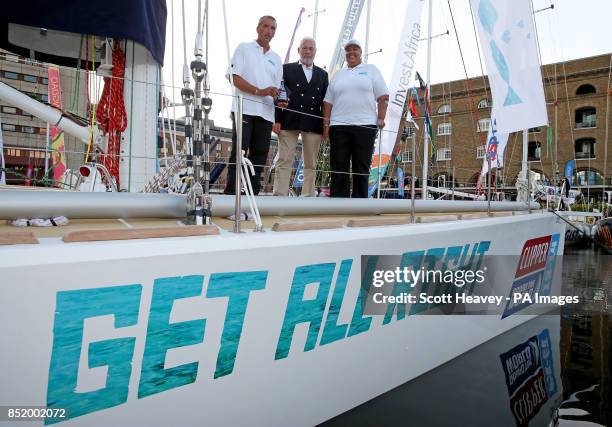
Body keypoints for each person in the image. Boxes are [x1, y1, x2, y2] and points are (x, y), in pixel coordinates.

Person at [224, 16, 283, 195]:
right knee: (239, 153)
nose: (269, 31)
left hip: (266, 113)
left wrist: (280, 98)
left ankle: (253, 196)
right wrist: (260, 91)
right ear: (258, 28)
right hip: (244, 109)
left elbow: (278, 87)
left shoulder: (277, 58)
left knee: (260, 155)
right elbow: (233, 77)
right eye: (265, 26)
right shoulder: (244, 48)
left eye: (273, 28)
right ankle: (231, 197)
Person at [322, 39, 389, 198]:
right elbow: (328, 101)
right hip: (338, 126)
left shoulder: (371, 70)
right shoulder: (338, 75)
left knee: (361, 166)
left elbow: (383, 96)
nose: (352, 52)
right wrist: (326, 125)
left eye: (355, 49)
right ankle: (339, 202)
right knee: (338, 166)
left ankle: (360, 204)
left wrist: (381, 118)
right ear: (345, 53)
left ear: (361, 52)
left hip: (365, 125)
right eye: (348, 49)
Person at [273, 37, 329, 197]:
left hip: (313, 122)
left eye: (311, 48)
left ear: (315, 51)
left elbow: (326, 102)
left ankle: (308, 197)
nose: (308, 51)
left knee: (311, 163)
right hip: (288, 120)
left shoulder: (323, 74)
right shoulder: (286, 69)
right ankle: (279, 196)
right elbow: (279, 94)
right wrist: (276, 119)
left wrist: (326, 126)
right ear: (299, 50)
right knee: (284, 159)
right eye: (305, 48)